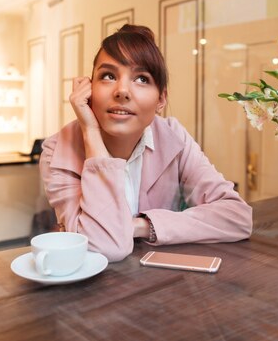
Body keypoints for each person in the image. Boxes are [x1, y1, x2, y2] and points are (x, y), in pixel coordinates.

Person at [39, 24, 253, 262]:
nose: (122, 91)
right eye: (108, 76)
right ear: (89, 90)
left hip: (160, 286)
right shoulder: (57, 151)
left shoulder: (173, 136)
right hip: (88, 293)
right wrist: (90, 131)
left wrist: (141, 226)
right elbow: (105, 246)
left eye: (141, 79)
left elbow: (237, 218)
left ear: (161, 99)